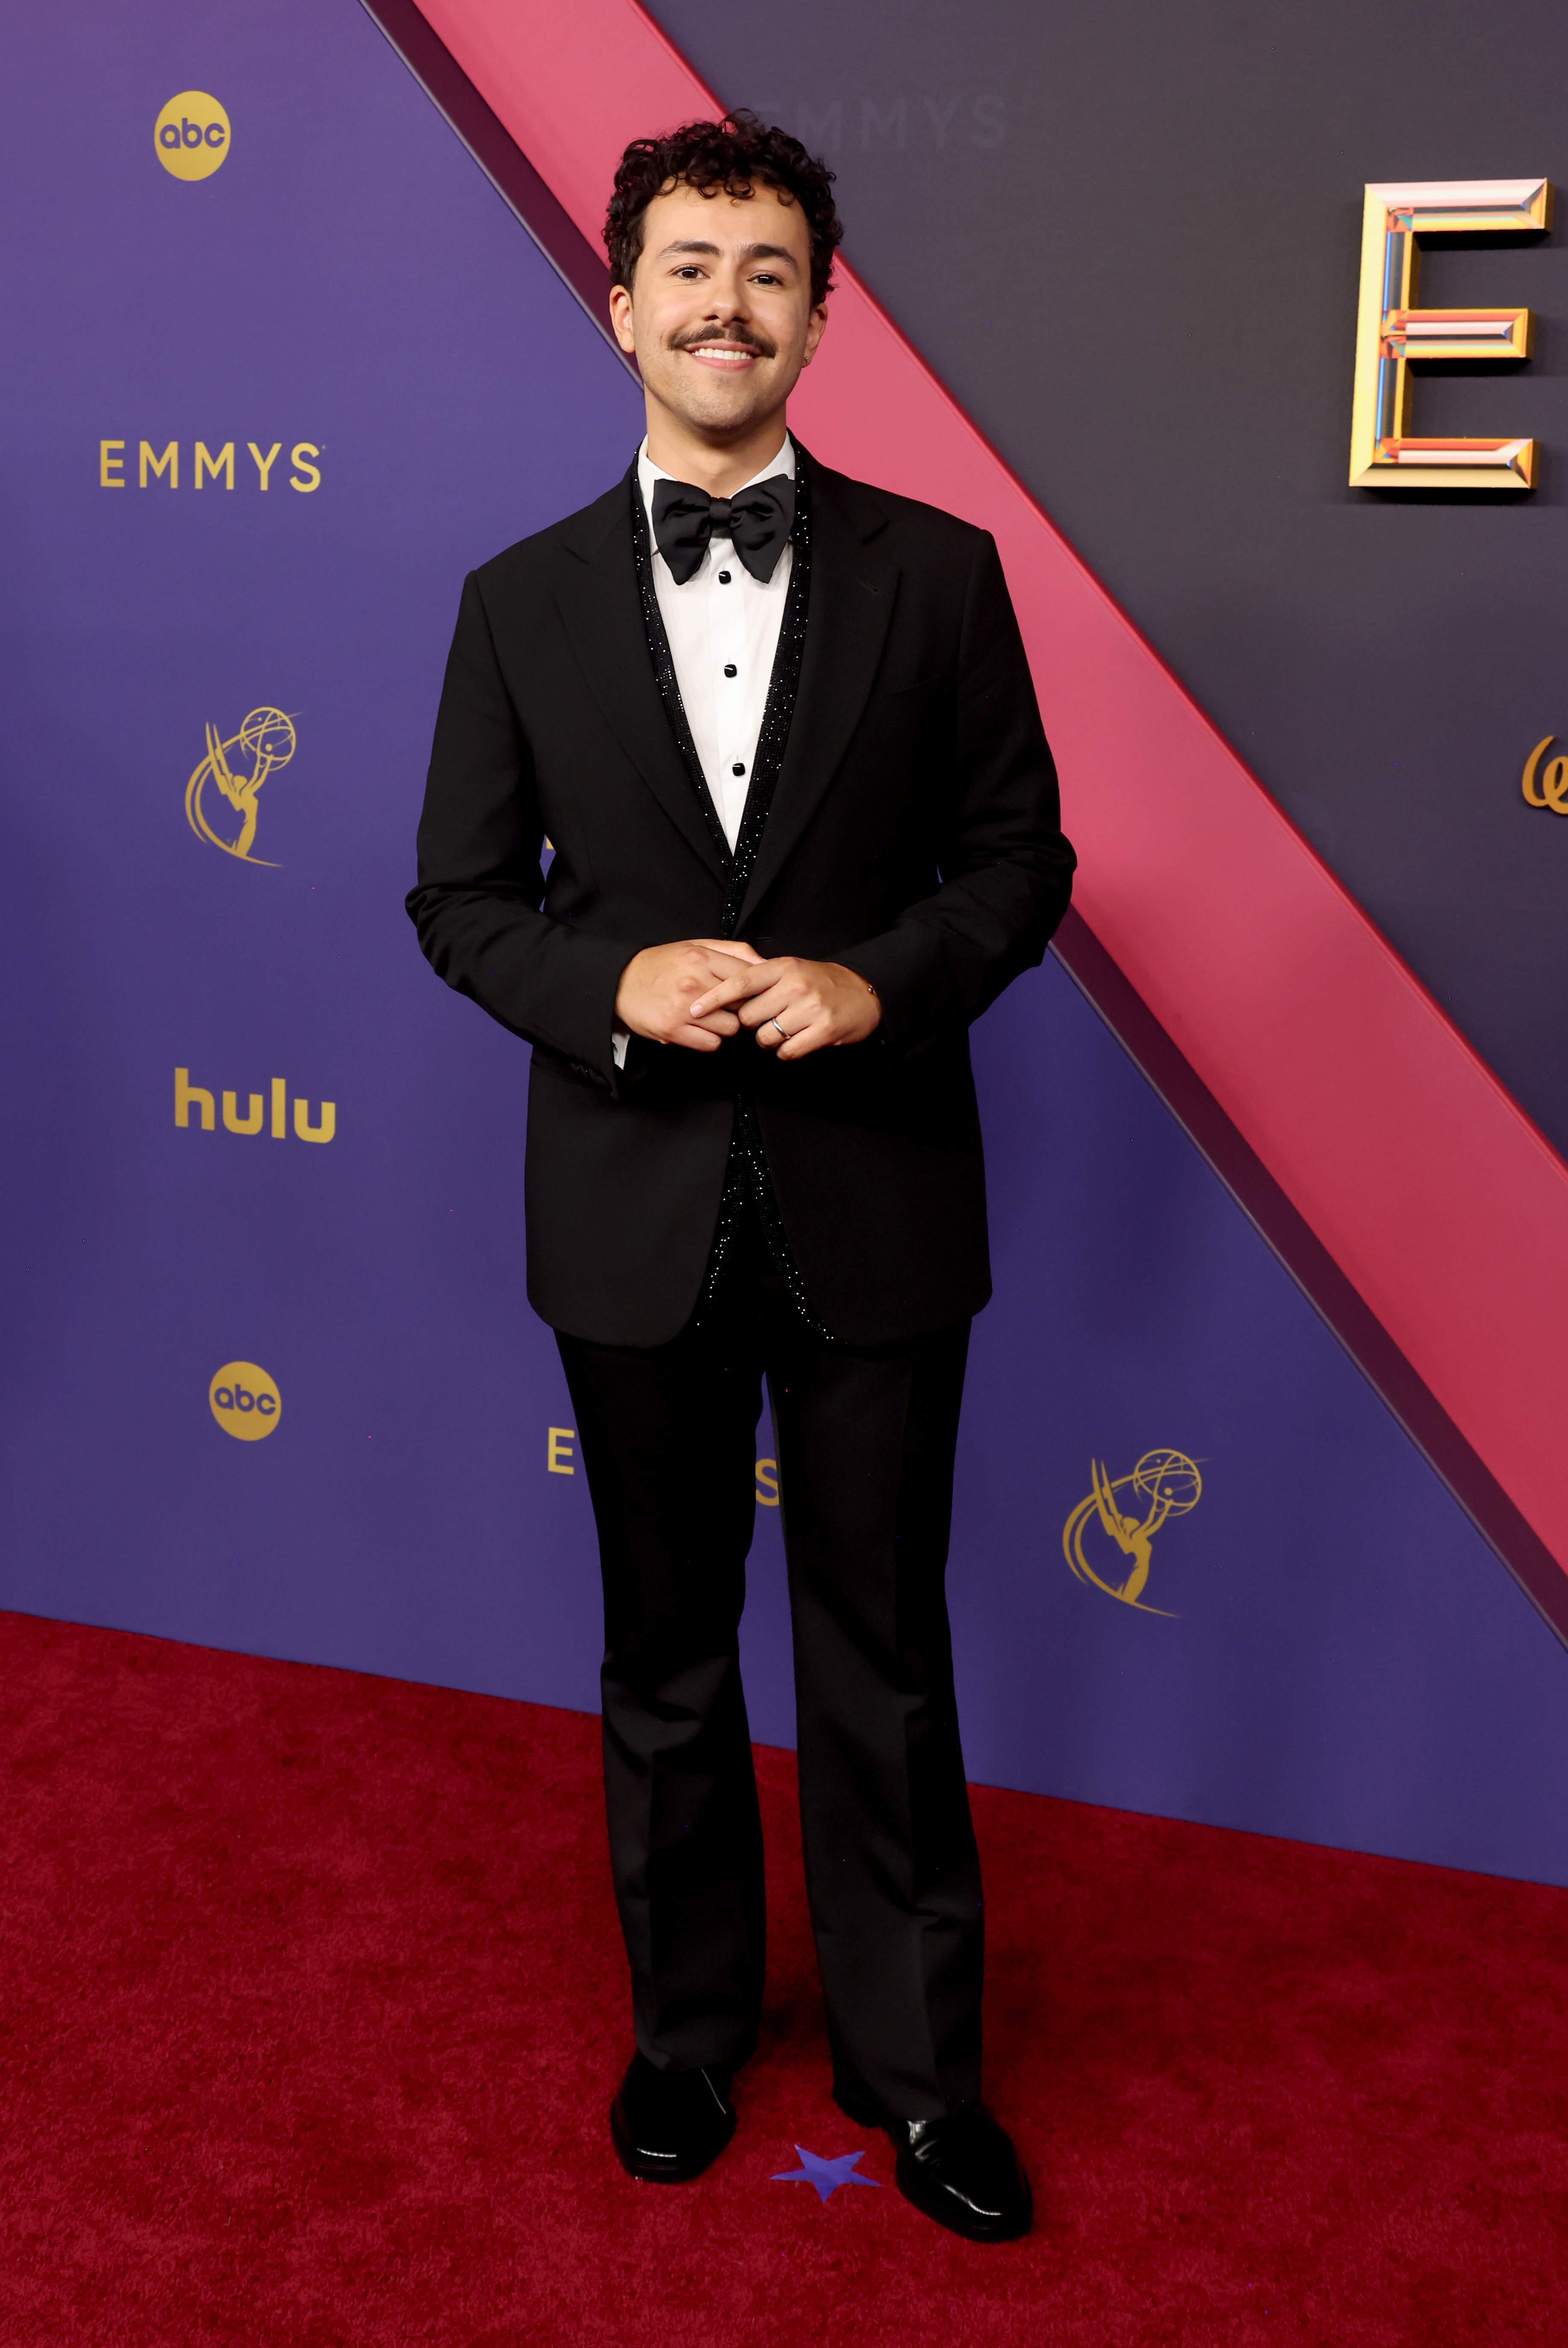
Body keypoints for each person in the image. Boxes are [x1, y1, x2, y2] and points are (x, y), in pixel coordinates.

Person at [408, 112, 1075, 2242]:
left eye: (767, 268)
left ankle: (919, 2077)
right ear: (621, 308)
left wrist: (876, 991)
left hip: (879, 1195)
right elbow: (455, 900)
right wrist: (613, 983)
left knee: (883, 1654)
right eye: (687, 266)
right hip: (632, 1203)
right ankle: (688, 2038)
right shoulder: (511, 603)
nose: (724, 301)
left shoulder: (945, 573)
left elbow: (1018, 865)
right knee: (664, 1652)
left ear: (818, 311)